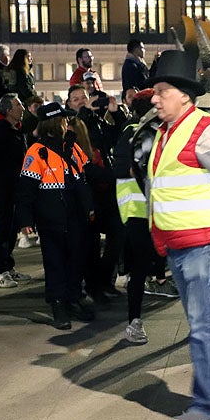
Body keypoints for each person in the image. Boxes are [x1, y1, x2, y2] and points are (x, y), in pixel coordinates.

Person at [145, 50, 210, 420]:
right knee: (205, 324)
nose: (155, 98)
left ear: (185, 95)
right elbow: (162, 191)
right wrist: (160, 238)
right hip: (179, 246)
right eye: (155, 91)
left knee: (203, 327)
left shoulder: (206, 129)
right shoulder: (167, 133)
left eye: (162, 90)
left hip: (203, 247)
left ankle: (206, 406)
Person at [16, 102, 96, 330]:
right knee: (55, 263)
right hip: (51, 218)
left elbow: (86, 174)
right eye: (63, 120)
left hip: (76, 216)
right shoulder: (36, 152)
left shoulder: (71, 147)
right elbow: (25, 190)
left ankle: (73, 299)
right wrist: (25, 221)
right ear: (54, 123)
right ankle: (58, 304)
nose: (66, 123)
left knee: (76, 260)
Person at [114, 90, 172, 345]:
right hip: (140, 212)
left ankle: (203, 320)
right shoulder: (136, 133)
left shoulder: (155, 131)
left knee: (166, 262)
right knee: (140, 268)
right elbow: (125, 169)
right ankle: (134, 322)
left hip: (152, 210)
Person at [66, 84, 128, 303]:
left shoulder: (96, 122)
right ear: (68, 104)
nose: (82, 101)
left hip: (107, 192)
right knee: (90, 245)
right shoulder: (69, 125)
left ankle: (102, 282)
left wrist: (115, 112)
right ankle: (94, 287)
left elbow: (121, 135)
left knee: (117, 236)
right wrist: (85, 111)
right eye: (76, 99)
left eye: (84, 97)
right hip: (88, 193)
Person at [0, 93, 32, 288]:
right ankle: (0, 271)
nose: (23, 108)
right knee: (2, 230)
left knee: (11, 230)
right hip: (3, 190)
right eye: (18, 105)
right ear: (9, 110)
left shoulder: (16, 130)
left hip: (16, 189)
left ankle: (8, 267)